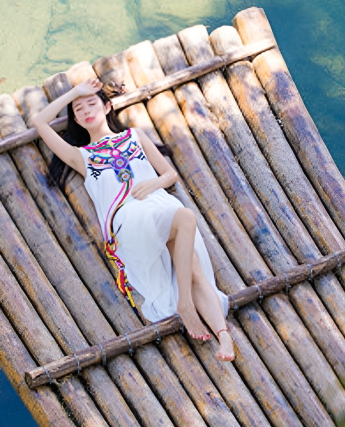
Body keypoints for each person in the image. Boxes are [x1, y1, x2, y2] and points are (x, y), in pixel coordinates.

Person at [32, 77, 235, 362]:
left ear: (107, 107)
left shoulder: (134, 137)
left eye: (92, 103)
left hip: (157, 204)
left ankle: (224, 336)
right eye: (79, 109)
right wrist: (75, 93)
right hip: (128, 220)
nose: (86, 111)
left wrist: (153, 185)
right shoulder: (82, 156)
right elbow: (39, 122)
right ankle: (185, 305)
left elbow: (169, 174)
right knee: (186, 216)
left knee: (195, 271)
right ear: (75, 119)